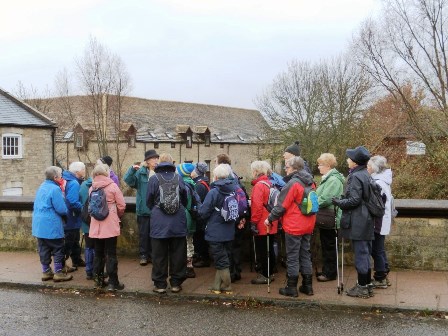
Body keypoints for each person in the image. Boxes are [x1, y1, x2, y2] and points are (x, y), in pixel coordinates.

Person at [265, 156, 316, 297]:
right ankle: (308, 286)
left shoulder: (293, 183)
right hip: (308, 223)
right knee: (305, 254)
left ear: (294, 168)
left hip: (294, 225)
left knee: (292, 256)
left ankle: (291, 288)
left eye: (286, 167)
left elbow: (281, 205)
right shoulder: (310, 182)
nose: (285, 170)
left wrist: (269, 218)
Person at [332, 146, 374, 298]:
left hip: (359, 220)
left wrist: (338, 202)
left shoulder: (356, 176)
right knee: (366, 252)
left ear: (355, 162)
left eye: (349, 158)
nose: (347, 160)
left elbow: (355, 200)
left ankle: (362, 287)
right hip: (366, 218)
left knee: (361, 253)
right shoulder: (366, 174)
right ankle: (367, 284)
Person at [146, 153, 188, 294]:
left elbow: (148, 201)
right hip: (177, 222)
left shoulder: (153, 179)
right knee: (178, 254)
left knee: (159, 255)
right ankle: (176, 283)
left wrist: (157, 210)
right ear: (172, 163)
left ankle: (160, 284)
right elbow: (185, 199)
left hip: (159, 222)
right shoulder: (179, 178)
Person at [198, 164, 236, 294]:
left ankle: (227, 285)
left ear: (215, 177)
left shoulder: (214, 191)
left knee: (220, 259)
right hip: (229, 230)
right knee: (224, 257)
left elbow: (203, 212)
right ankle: (216, 286)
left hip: (215, 231)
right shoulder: (233, 189)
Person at [89, 163, 126, 291]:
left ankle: (98, 281)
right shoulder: (112, 186)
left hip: (95, 225)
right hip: (109, 224)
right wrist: (117, 216)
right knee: (111, 254)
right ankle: (113, 282)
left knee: (98, 254)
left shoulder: (92, 187)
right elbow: (121, 205)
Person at [32, 166, 72, 282]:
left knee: (43, 248)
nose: (62, 177)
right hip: (51, 224)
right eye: (60, 175)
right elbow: (61, 208)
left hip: (39, 225)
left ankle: (46, 271)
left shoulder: (41, 187)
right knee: (58, 248)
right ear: (55, 177)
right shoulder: (55, 189)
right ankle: (58, 272)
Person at [216, 153, 248, 282]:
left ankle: (231, 273)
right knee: (236, 246)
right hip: (239, 216)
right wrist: (243, 217)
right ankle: (236, 270)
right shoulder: (236, 179)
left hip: (229, 218)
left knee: (229, 246)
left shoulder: (224, 182)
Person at [124, 149, 159, 266]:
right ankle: (143, 255)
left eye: (157, 158)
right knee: (143, 234)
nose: (156, 160)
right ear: (147, 161)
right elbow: (128, 180)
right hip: (143, 210)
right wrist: (132, 169)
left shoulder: (159, 172)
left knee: (155, 235)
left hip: (156, 210)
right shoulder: (141, 173)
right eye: (153, 158)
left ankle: (154, 256)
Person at [315, 153, 344, 282]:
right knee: (327, 245)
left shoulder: (333, 180)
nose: (318, 167)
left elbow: (326, 199)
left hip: (330, 217)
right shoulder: (329, 178)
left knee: (329, 246)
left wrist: (312, 203)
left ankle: (330, 273)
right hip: (327, 216)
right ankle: (327, 270)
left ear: (327, 165)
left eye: (320, 164)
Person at [249, 161, 278, 285]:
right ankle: (270, 272)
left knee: (262, 250)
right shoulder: (269, 183)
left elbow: (257, 206)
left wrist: (253, 222)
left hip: (262, 222)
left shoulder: (259, 186)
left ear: (256, 171)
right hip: (272, 220)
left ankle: (265, 275)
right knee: (270, 248)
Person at [367, 155, 393, 289]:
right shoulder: (383, 180)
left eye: (369, 166)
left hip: (378, 221)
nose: (367, 168)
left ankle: (380, 277)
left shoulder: (378, 183)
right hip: (382, 219)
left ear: (374, 168)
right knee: (379, 248)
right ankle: (384, 271)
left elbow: (377, 205)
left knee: (376, 249)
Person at [176, 162, 200, 278]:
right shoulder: (192, 184)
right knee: (189, 242)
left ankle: (186, 267)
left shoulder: (182, 186)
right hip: (191, 218)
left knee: (183, 243)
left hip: (184, 219)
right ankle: (190, 265)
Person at [62, 161, 86, 270]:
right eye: (83, 169)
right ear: (78, 172)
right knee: (69, 241)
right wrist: (83, 208)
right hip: (71, 216)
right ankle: (62, 265)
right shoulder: (74, 183)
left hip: (68, 216)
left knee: (75, 239)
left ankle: (76, 259)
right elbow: (72, 201)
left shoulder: (67, 179)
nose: (85, 171)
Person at [191, 162, 211, 268]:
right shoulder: (204, 182)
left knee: (199, 238)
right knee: (200, 237)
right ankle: (202, 257)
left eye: (193, 169)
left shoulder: (199, 185)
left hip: (200, 216)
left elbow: (196, 200)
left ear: (197, 172)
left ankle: (203, 258)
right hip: (204, 215)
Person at [79, 174, 94, 280]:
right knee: (98, 248)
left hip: (85, 220)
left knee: (88, 246)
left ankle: (89, 271)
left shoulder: (83, 185)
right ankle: (97, 270)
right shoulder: (102, 185)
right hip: (97, 221)